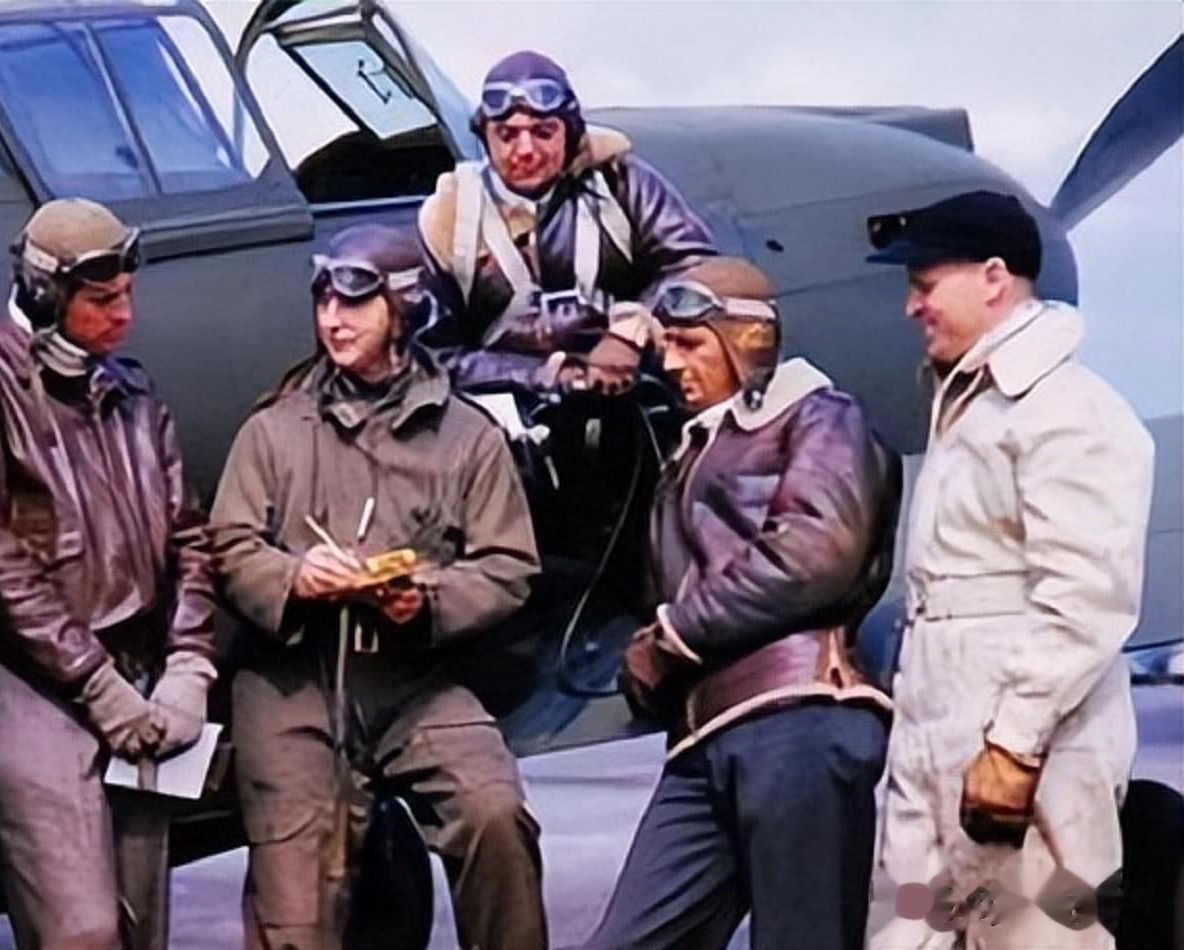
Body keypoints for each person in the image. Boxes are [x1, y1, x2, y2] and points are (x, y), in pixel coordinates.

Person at [211, 223, 546, 950]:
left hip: (414, 679)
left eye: (355, 304)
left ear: (404, 307)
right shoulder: (274, 430)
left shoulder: (467, 437)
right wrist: (295, 577)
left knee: (495, 815)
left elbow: (508, 565)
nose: (333, 320)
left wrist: (426, 598)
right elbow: (230, 547)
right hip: (293, 686)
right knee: (297, 910)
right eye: (324, 301)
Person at [866, 191, 1153, 949]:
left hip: (1029, 763)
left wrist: (1014, 745)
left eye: (925, 285)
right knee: (910, 934)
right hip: (934, 751)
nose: (911, 307)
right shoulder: (972, 409)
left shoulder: (1065, 410)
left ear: (993, 278)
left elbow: (1086, 599)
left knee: (1042, 937)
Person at [587, 257, 900, 950]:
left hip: (798, 719)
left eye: (689, 342)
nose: (670, 363)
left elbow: (814, 555)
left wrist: (672, 634)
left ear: (747, 340)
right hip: (704, 738)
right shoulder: (693, 449)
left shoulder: (820, 415)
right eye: (665, 343)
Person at [0, 198, 216, 950]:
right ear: (42, 293)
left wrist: (189, 664)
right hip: (39, 685)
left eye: (127, 293)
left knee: (141, 924)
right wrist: (94, 682)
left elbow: (189, 537)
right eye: (102, 299)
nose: (124, 314)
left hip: (144, 677)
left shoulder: (133, 392)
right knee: (80, 932)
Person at [417, 49, 716, 396]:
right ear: (484, 135)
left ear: (570, 132)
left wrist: (630, 330)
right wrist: (546, 376)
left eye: (543, 132)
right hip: (504, 406)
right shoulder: (451, 214)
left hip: (634, 386)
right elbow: (434, 356)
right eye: (507, 134)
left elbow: (697, 270)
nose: (525, 150)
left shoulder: (621, 183)